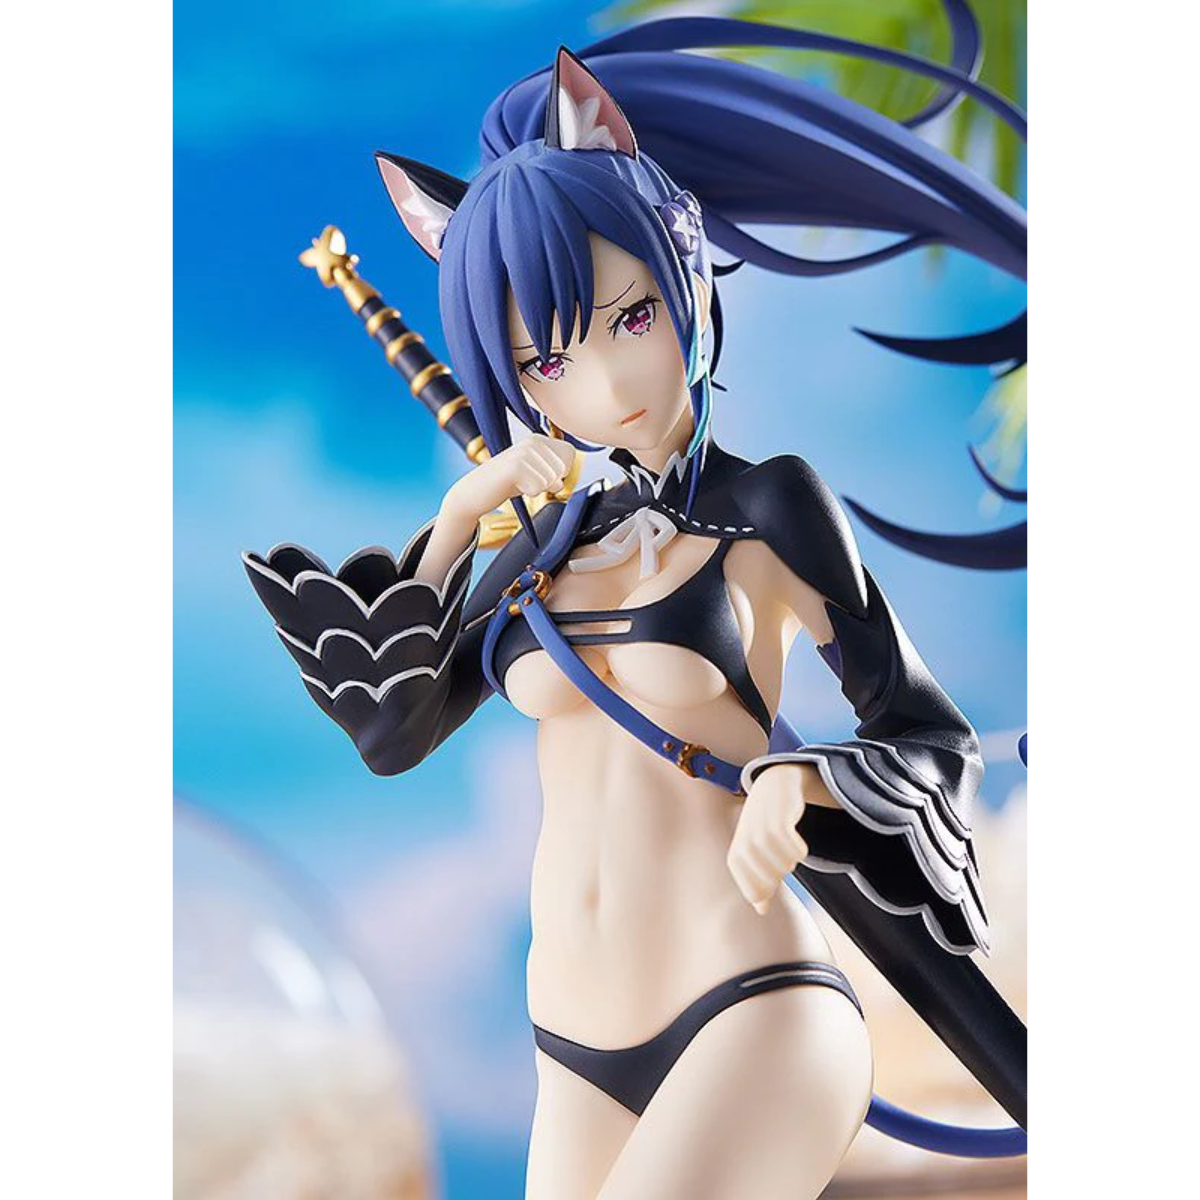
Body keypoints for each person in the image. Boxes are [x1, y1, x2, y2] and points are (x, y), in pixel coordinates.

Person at [245, 12, 1026, 1198]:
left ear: (683, 278)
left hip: (751, 1003)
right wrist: (461, 519)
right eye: (549, 363)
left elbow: (929, 735)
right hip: (573, 1044)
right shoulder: (540, 546)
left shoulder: (771, 506)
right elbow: (392, 733)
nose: (609, 386)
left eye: (633, 318)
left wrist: (805, 778)